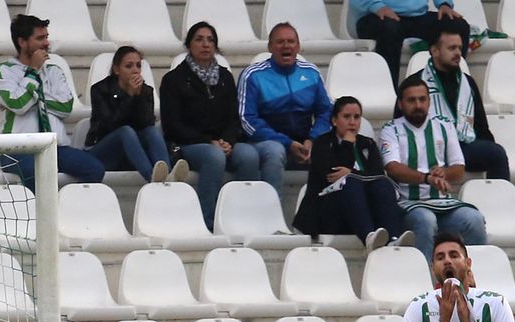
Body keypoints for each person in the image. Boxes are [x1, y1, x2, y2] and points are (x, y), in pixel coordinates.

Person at [160, 21, 261, 229]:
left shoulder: (225, 77)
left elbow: (234, 117)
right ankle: (208, 221)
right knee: (214, 157)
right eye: (199, 39)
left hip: (223, 142)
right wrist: (208, 141)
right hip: (190, 144)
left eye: (210, 40)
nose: (205, 44)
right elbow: (172, 125)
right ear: (189, 45)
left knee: (249, 156)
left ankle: (245, 219)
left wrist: (228, 140)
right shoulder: (173, 80)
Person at [0, 14, 105, 189]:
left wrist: (32, 95)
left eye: (46, 37)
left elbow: (65, 107)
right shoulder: (2, 71)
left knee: (95, 169)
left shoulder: (54, 71)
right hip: (16, 148)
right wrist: (33, 70)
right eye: (40, 38)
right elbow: (19, 105)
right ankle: (39, 208)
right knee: (37, 173)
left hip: (55, 148)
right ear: (22, 42)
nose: (46, 43)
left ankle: (64, 204)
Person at [381, 75, 486, 259]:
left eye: (422, 99)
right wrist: (427, 178)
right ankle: (425, 274)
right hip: (408, 204)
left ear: (429, 101)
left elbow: (459, 169)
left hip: (443, 204)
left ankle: (474, 273)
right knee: (426, 219)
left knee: (474, 219)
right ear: (400, 104)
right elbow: (392, 168)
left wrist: (444, 172)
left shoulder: (445, 125)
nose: (418, 105)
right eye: (411, 100)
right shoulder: (391, 129)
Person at [294, 96, 408, 249]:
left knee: (383, 184)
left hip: (362, 208)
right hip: (328, 210)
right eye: (347, 117)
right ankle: (368, 236)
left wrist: (351, 172)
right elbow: (331, 176)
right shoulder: (322, 143)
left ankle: (394, 238)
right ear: (334, 120)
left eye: (356, 117)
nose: (352, 122)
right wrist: (347, 144)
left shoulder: (367, 144)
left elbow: (378, 175)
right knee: (350, 183)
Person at [239, 22, 333, 195]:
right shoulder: (253, 75)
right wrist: (287, 143)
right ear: (270, 47)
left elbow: (326, 111)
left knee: (336, 148)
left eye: (291, 41)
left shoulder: (311, 72)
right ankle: (271, 208)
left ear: (298, 46)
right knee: (275, 151)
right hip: (266, 141)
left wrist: (313, 139)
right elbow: (247, 119)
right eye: (280, 42)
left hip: (305, 140)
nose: (286, 46)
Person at [86, 45, 186, 183]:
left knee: (151, 131)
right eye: (129, 66)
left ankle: (167, 174)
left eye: (138, 66)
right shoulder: (100, 90)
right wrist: (129, 96)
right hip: (104, 152)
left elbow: (146, 123)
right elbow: (108, 126)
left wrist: (138, 97)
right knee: (125, 131)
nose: (135, 70)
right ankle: (152, 177)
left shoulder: (146, 91)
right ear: (116, 70)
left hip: (133, 154)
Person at [419, 30, 509, 181]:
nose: (458, 53)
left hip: (463, 146)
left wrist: (486, 147)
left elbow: (481, 126)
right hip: (429, 146)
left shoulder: (467, 83)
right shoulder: (417, 83)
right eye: (452, 48)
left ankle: (499, 196)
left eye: (460, 48)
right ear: (434, 51)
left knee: (496, 153)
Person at [351, 0, 471, 87]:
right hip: (374, 15)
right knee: (389, 30)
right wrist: (377, 7)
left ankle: (451, 87)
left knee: (459, 26)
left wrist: (444, 4)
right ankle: (389, 91)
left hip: (418, 16)